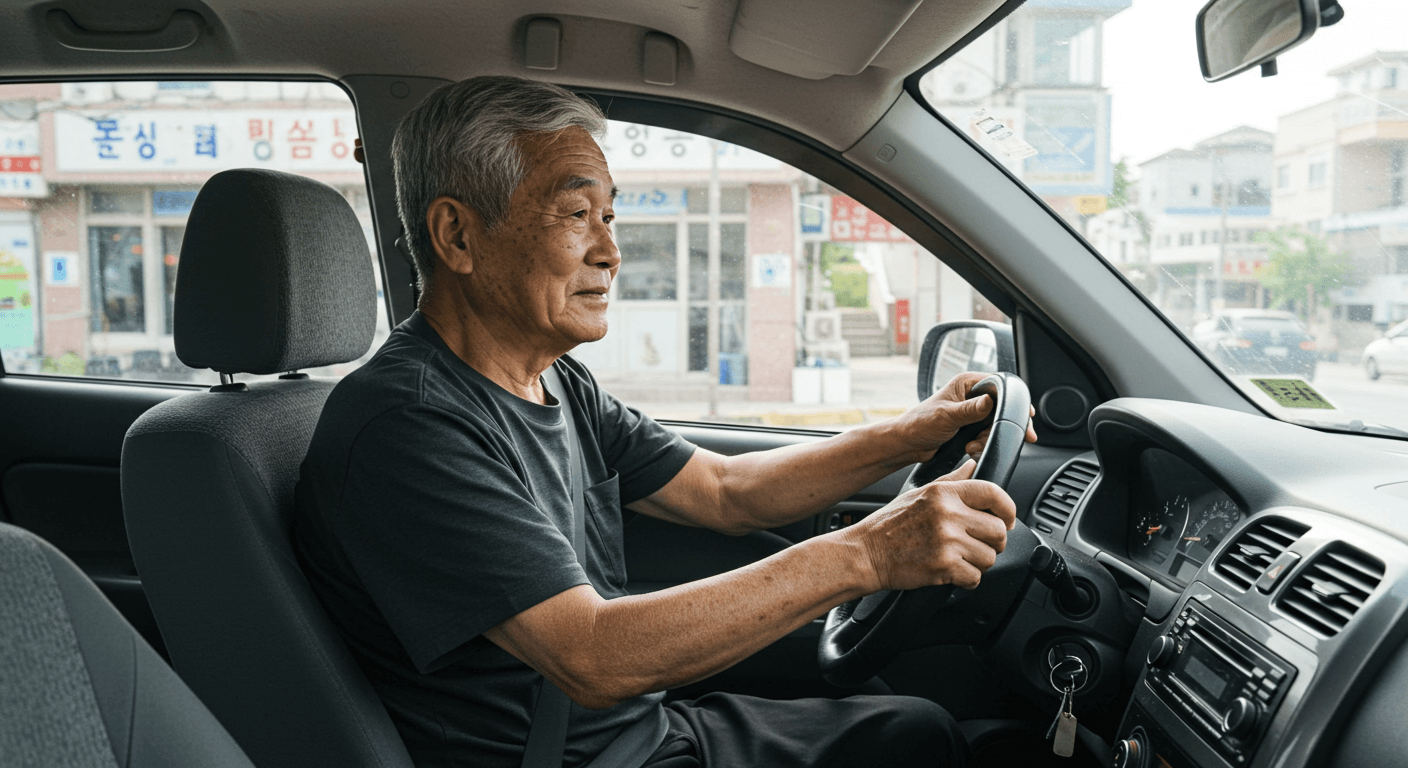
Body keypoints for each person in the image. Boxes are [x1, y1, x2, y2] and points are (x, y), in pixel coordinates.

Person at [293, 75, 1035, 768]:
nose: (611, 252)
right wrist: (868, 554)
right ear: (457, 236)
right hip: (588, 759)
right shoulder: (408, 424)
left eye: (609, 217)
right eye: (576, 215)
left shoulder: (556, 381)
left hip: (642, 734)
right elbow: (591, 655)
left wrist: (912, 434)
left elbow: (726, 491)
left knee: (917, 731)